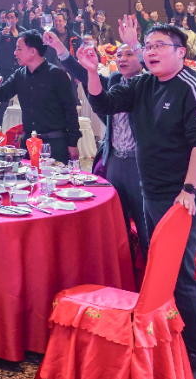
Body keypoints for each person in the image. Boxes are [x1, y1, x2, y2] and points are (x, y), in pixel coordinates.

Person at [77, 20, 196, 379]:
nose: (151, 52)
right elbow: (104, 103)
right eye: (149, 46)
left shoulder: (193, 86)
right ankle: (169, 346)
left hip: (182, 197)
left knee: (179, 275)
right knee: (158, 269)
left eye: (159, 46)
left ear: (181, 52)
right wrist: (92, 72)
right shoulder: (143, 84)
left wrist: (189, 191)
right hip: (150, 190)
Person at [47, 29, 148, 262]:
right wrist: (60, 49)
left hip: (139, 164)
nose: (122, 59)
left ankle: (151, 277)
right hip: (114, 161)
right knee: (117, 226)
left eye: (129, 54)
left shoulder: (149, 84)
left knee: (146, 227)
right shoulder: (114, 80)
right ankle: (125, 274)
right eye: (119, 55)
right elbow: (86, 75)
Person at [0, 30, 80, 161]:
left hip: (55, 142)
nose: (15, 53)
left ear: (33, 51)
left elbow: (70, 110)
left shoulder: (56, 75)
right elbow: (1, 95)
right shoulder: (20, 74)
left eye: (19, 49)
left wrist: (73, 143)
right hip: (28, 143)